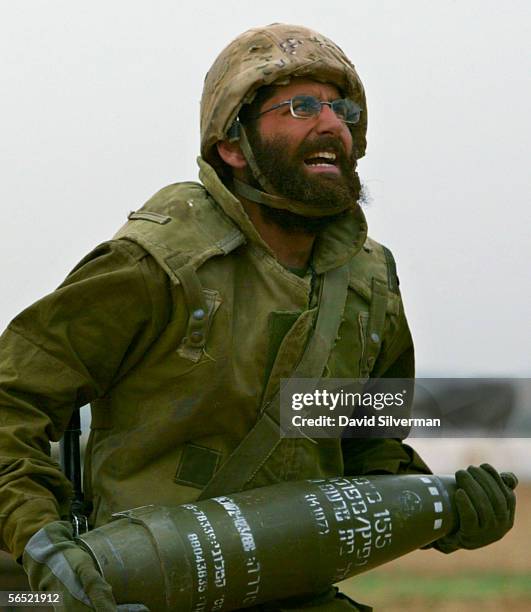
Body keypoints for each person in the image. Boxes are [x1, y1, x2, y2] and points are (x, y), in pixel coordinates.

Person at [0, 23, 516, 612]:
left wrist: (448, 510)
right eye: (300, 106)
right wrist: (44, 546)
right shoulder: (159, 265)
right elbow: (11, 399)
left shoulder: (370, 285)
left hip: (296, 592)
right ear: (234, 144)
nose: (331, 124)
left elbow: (370, 449)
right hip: (146, 584)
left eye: (341, 107)